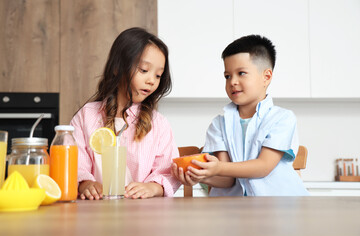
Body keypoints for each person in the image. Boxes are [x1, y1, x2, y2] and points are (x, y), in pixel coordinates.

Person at [172, 35, 309, 196]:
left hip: (277, 209)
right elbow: (227, 180)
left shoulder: (282, 118)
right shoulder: (218, 124)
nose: (232, 82)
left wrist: (219, 168)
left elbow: (264, 166)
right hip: (235, 212)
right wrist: (202, 177)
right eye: (227, 76)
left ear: (266, 77)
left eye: (241, 73)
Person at [71, 27, 181, 200]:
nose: (151, 80)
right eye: (144, 70)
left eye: (158, 75)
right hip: (94, 215)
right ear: (117, 68)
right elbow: (75, 164)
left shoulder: (159, 124)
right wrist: (86, 184)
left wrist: (153, 188)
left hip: (143, 217)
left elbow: (168, 172)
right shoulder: (87, 116)